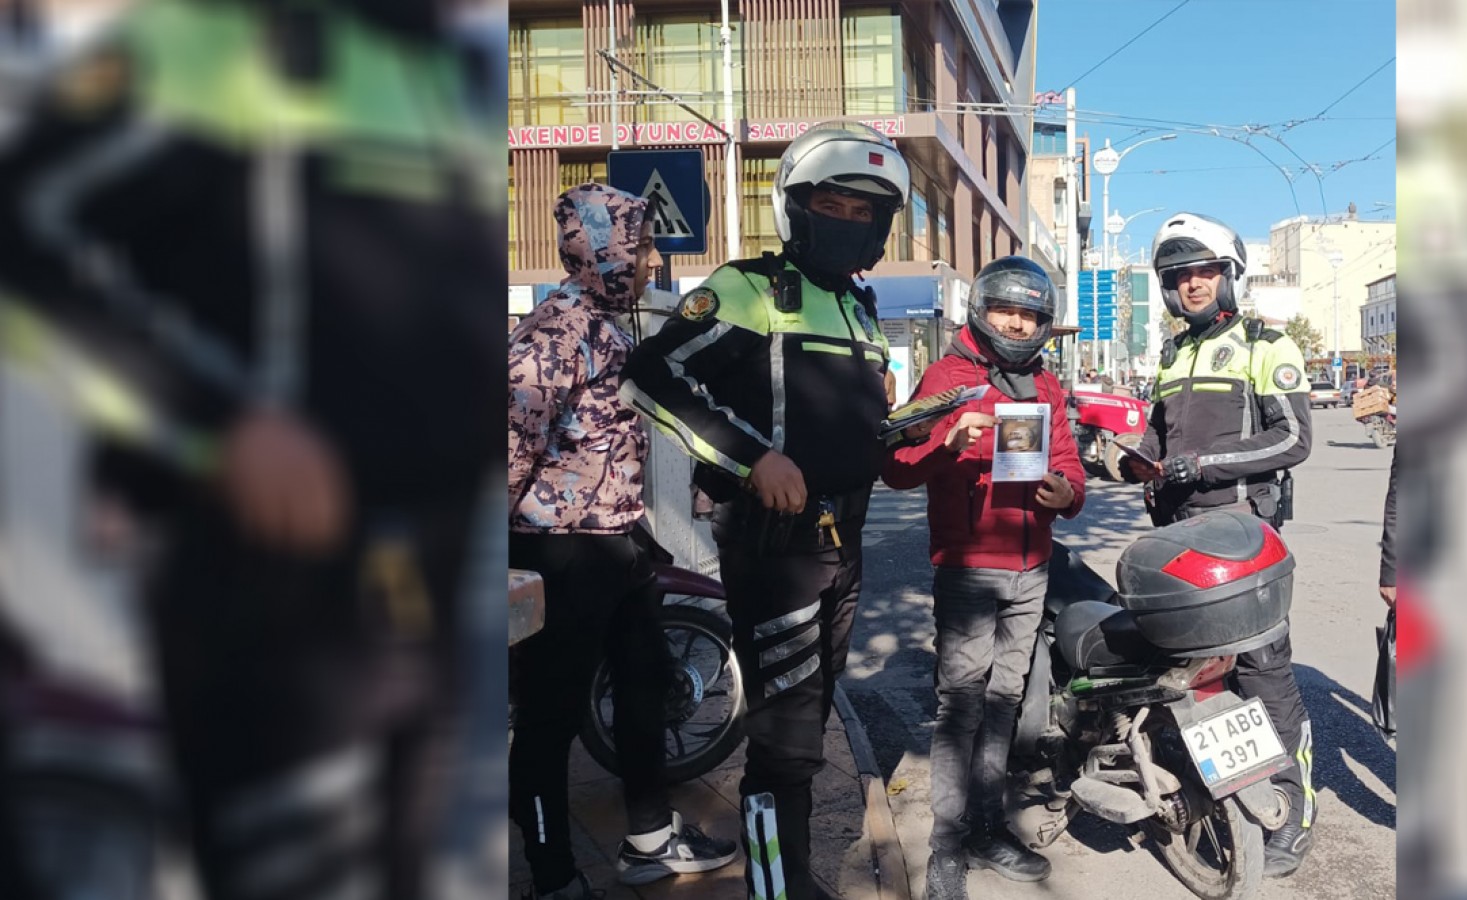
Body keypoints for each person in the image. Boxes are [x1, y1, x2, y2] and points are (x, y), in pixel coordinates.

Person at [0, 3, 502, 897]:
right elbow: (23, 231)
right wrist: (213, 422)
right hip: (270, 603)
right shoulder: (207, 45)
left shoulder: (446, 73)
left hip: (427, 587)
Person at [622, 121, 909, 900]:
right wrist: (754, 460)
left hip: (843, 542)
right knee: (782, 740)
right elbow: (650, 375)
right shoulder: (748, 288)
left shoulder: (861, 308)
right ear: (795, 205)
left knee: (809, 726)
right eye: (833, 203)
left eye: (866, 211)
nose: (849, 220)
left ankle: (784, 871)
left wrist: (910, 432)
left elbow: (855, 427)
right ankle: (775, 888)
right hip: (775, 547)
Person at [508, 184, 737, 899]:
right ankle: (551, 876)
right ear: (601, 251)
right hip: (562, 555)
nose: (650, 262)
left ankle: (647, 841)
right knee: (549, 721)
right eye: (639, 248)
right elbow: (510, 445)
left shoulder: (606, 326)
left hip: (617, 548)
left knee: (643, 689)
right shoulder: (555, 332)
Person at [1118, 212, 1318, 878]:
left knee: (1261, 673)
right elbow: (1157, 439)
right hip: (1178, 538)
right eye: (1179, 276)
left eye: (1203, 271)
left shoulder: (1267, 342)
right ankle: (1218, 790)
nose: (1192, 284)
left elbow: (1292, 439)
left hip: (1239, 535)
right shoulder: (1173, 353)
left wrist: (1200, 466)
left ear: (1228, 273)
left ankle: (1288, 810)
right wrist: (1130, 461)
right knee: (1196, 674)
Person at [881, 257, 1086, 900]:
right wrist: (945, 438)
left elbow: (1069, 465)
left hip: (1033, 567)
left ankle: (991, 824)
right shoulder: (946, 377)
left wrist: (1066, 494)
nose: (1015, 324)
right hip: (969, 568)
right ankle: (947, 843)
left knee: (1006, 702)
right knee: (960, 703)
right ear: (981, 310)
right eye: (1006, 311)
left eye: (1028, 315)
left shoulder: (1046, 385)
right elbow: (897, 465)